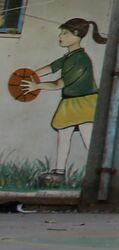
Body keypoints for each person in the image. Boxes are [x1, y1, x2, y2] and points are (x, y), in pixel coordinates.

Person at [18, 18, 107, 182]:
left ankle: (100, 173)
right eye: (61, 32)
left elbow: (60, 83)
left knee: (88, 139)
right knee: (63, 135)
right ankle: (59, 173)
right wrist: (29, 75)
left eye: (65, 33)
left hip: (84, 102)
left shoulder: (81, 59)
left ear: (77, 35)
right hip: (70, 101)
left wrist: (37, 86)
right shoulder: (69, 57)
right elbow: (52, 67)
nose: (60, 36)